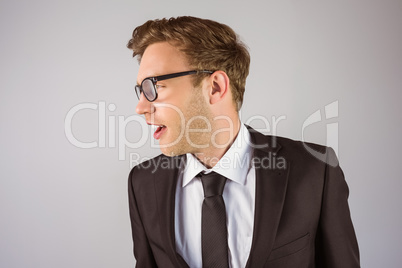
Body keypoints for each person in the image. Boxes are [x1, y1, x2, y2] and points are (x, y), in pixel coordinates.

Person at [126, 16, 360, 268]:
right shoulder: (143, 183)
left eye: (153, 87)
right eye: (140, 90)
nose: (140, 107)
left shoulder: (315, 170)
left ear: (215, 87)